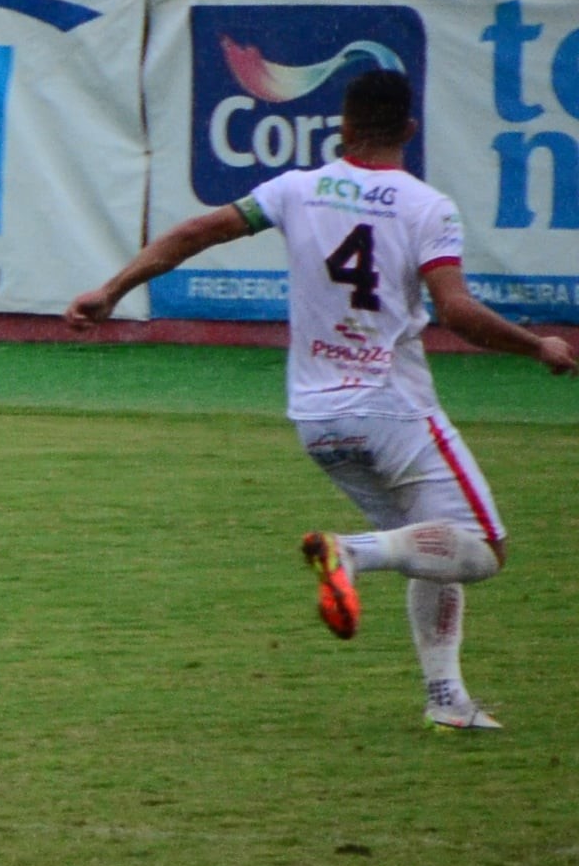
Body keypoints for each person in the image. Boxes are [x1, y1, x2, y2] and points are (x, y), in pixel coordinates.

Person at [70, 65, 573, 729]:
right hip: (393, 408)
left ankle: (446, 699)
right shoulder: (426, 206)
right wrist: (539, 346)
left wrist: (112, 289)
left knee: (431, 542)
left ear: (341, 125)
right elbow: (454, 310)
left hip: (317, 420)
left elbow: (195, 232)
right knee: (482, 546)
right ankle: (350, 552)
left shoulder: (296, 189)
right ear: (411, 131)